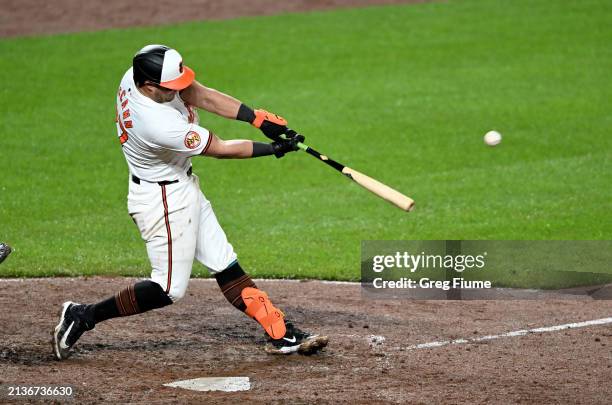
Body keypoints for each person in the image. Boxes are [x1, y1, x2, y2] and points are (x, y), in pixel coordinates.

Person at [52, 44, 328, 360]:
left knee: (224, 261)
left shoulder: (139, 71)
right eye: (170, 89)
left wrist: (257, 118)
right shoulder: (156, 123)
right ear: (148, 86)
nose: (178, 91)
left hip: (181, 185)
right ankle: (83, 315)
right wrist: (274, 149)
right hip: (162, 200)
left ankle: (280, 332)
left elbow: (201, 94)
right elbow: (222, 148)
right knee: (168, 289)